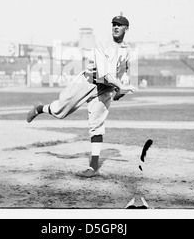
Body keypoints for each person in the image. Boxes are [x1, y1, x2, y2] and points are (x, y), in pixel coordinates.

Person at [26, 15, 137, 178]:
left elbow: (124, 70)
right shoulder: (103, 43)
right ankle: (39, 109)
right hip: (87, 81)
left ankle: (93, 167)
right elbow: (103, 73)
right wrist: (120, 86)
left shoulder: (126, 49)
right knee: (60, 111)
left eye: (119, 25)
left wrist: (119, 89)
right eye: (114, 24)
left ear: (126, 29)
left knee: (97, 125)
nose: (115, 27)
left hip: (105, 89)